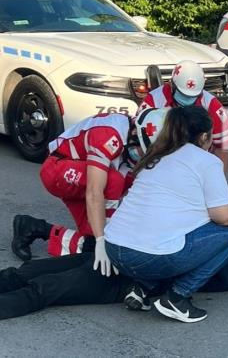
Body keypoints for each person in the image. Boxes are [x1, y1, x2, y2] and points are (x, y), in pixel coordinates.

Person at [104, 106, 228, 323]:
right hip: (146, 256)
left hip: (114, 248)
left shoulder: (157, 157)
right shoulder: (207, 162)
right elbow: (224, 216)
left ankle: (141, 288)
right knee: (227, 238)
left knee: (170, 236)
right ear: (204, 136)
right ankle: (176, 298)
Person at [0, 229, 228, 320]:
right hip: (119, 259)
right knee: (29, 272)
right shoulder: (212, 245)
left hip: (118, 280)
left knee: (42, 288)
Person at [11, 113, 143, 269]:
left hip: (82, 177)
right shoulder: (109, 133)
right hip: (57, 168)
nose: (142, 156)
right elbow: (95, 191)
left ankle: (33, 227)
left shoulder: (132, 137)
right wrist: (102, 239)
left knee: (90, 247)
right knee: (113, 182)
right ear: (135, 134)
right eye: (143, 151)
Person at [137, 60, 228, 172]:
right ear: (172, 84)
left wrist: (218, 179)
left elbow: (223, 148)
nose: (187, 99)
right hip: (159, 161)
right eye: (182, 94)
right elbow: (140, 135)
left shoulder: (213, 107)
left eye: (192, 96)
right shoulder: (154, 100)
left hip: (197, 166)